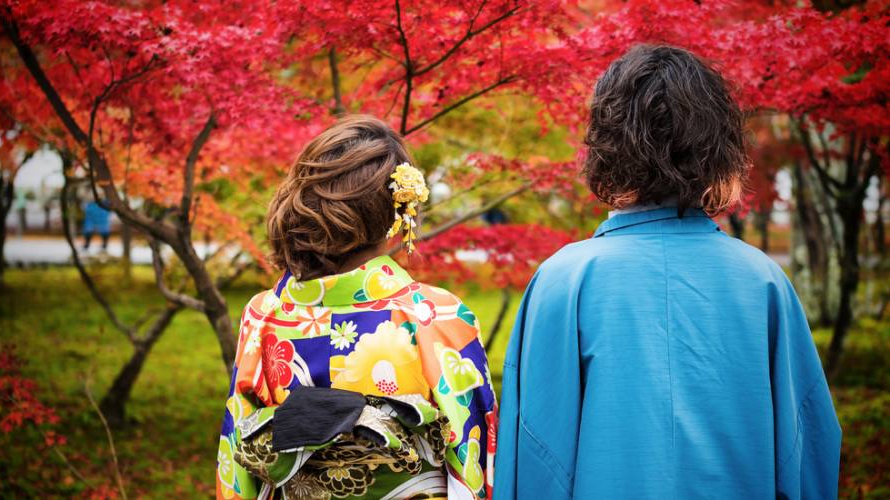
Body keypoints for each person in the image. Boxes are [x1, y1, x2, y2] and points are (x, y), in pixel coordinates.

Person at [495, 45, 841, 499]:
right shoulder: (763, 282)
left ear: (606, 145)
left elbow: (537, 457)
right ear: (719, 147)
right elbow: (807, 450)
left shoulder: (563, 280)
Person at [216, 115, 497, 500]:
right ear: (399, 213)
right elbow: (474, 454)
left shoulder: (263, 314)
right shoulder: (436, 315)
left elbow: (236, 456)